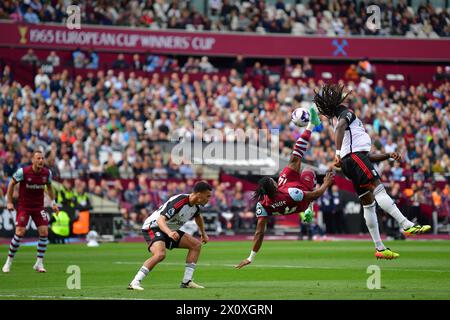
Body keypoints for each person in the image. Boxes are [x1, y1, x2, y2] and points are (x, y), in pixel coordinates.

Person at [313, 83, 431, 259]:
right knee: (378, 189)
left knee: (368, 203)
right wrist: (336, 153)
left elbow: (366, 155)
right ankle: (406, 224)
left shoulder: (342, 121)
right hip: (354, 158)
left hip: (352, 161)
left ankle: (380, 248)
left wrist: (387, 155)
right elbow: (341, 131)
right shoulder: (346, 115)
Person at [235, 108, 335, 269]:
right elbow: (316, 194)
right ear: (273, 187)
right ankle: (309, 209)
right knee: (308, 170)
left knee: (295, 158)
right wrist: (326, 183)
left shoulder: (263, 205)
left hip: (286, 189)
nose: (274, 181)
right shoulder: (292, 194)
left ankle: (311, 125)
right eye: (273, 181)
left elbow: (259, 233)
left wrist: (250, 257)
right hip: (298, 198)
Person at [128, 181, 212, 290]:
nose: (209, 199)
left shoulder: (196, 206)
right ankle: (135, 282)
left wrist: (203, 233)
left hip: (169, 230)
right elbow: (160, 220)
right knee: (160, 254)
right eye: (208, 196)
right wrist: (169, 233)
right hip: (153, 227)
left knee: (196, 245)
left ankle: (187, 281)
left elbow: (198, 217)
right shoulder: (180, 202)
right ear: (199, 194)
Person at [2, 150, 59, 273]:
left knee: (44, 232)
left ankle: (39, 263)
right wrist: (9, 202)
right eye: (38, 158)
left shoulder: (47, 173)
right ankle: (9, 261)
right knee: (20, 232)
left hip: (39, 207)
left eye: (42, 158)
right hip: (24, 206)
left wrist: (53, 203)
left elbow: (49, 187)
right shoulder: (23, 172)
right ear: (32, 160)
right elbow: (11, 184)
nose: (41, 161)